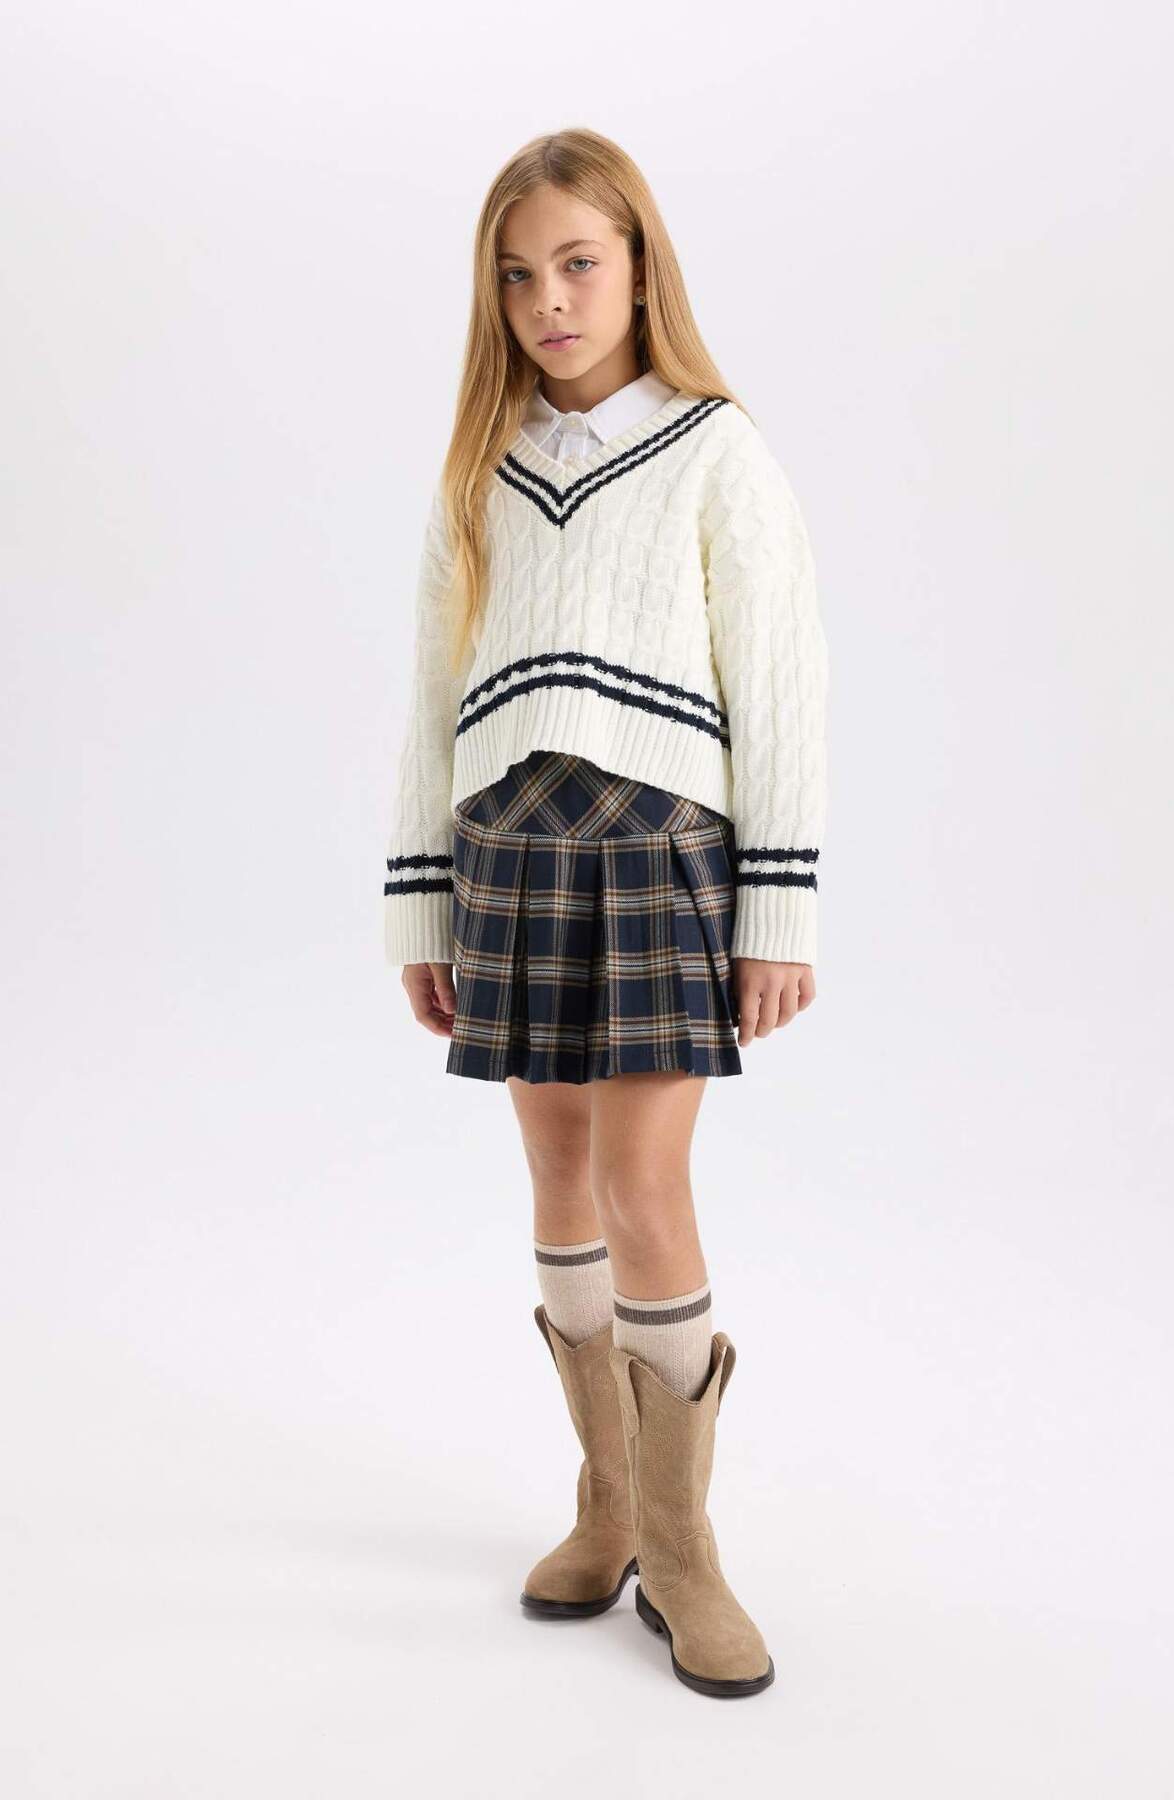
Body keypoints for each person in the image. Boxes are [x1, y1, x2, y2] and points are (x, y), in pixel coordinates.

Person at [383, 127, 829, 1699]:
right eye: (518, 278)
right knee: (560, 1174)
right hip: (508, 851)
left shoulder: (716, 450)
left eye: (578, 264)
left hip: (657, 853)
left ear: (641, 267)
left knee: (646, 1181)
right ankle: (607, 1503)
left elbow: (782, 683)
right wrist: (422, 907)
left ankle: (685, 1550)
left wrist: (779, 908)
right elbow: (430, 696)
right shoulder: (482, 467)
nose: (549, 303)